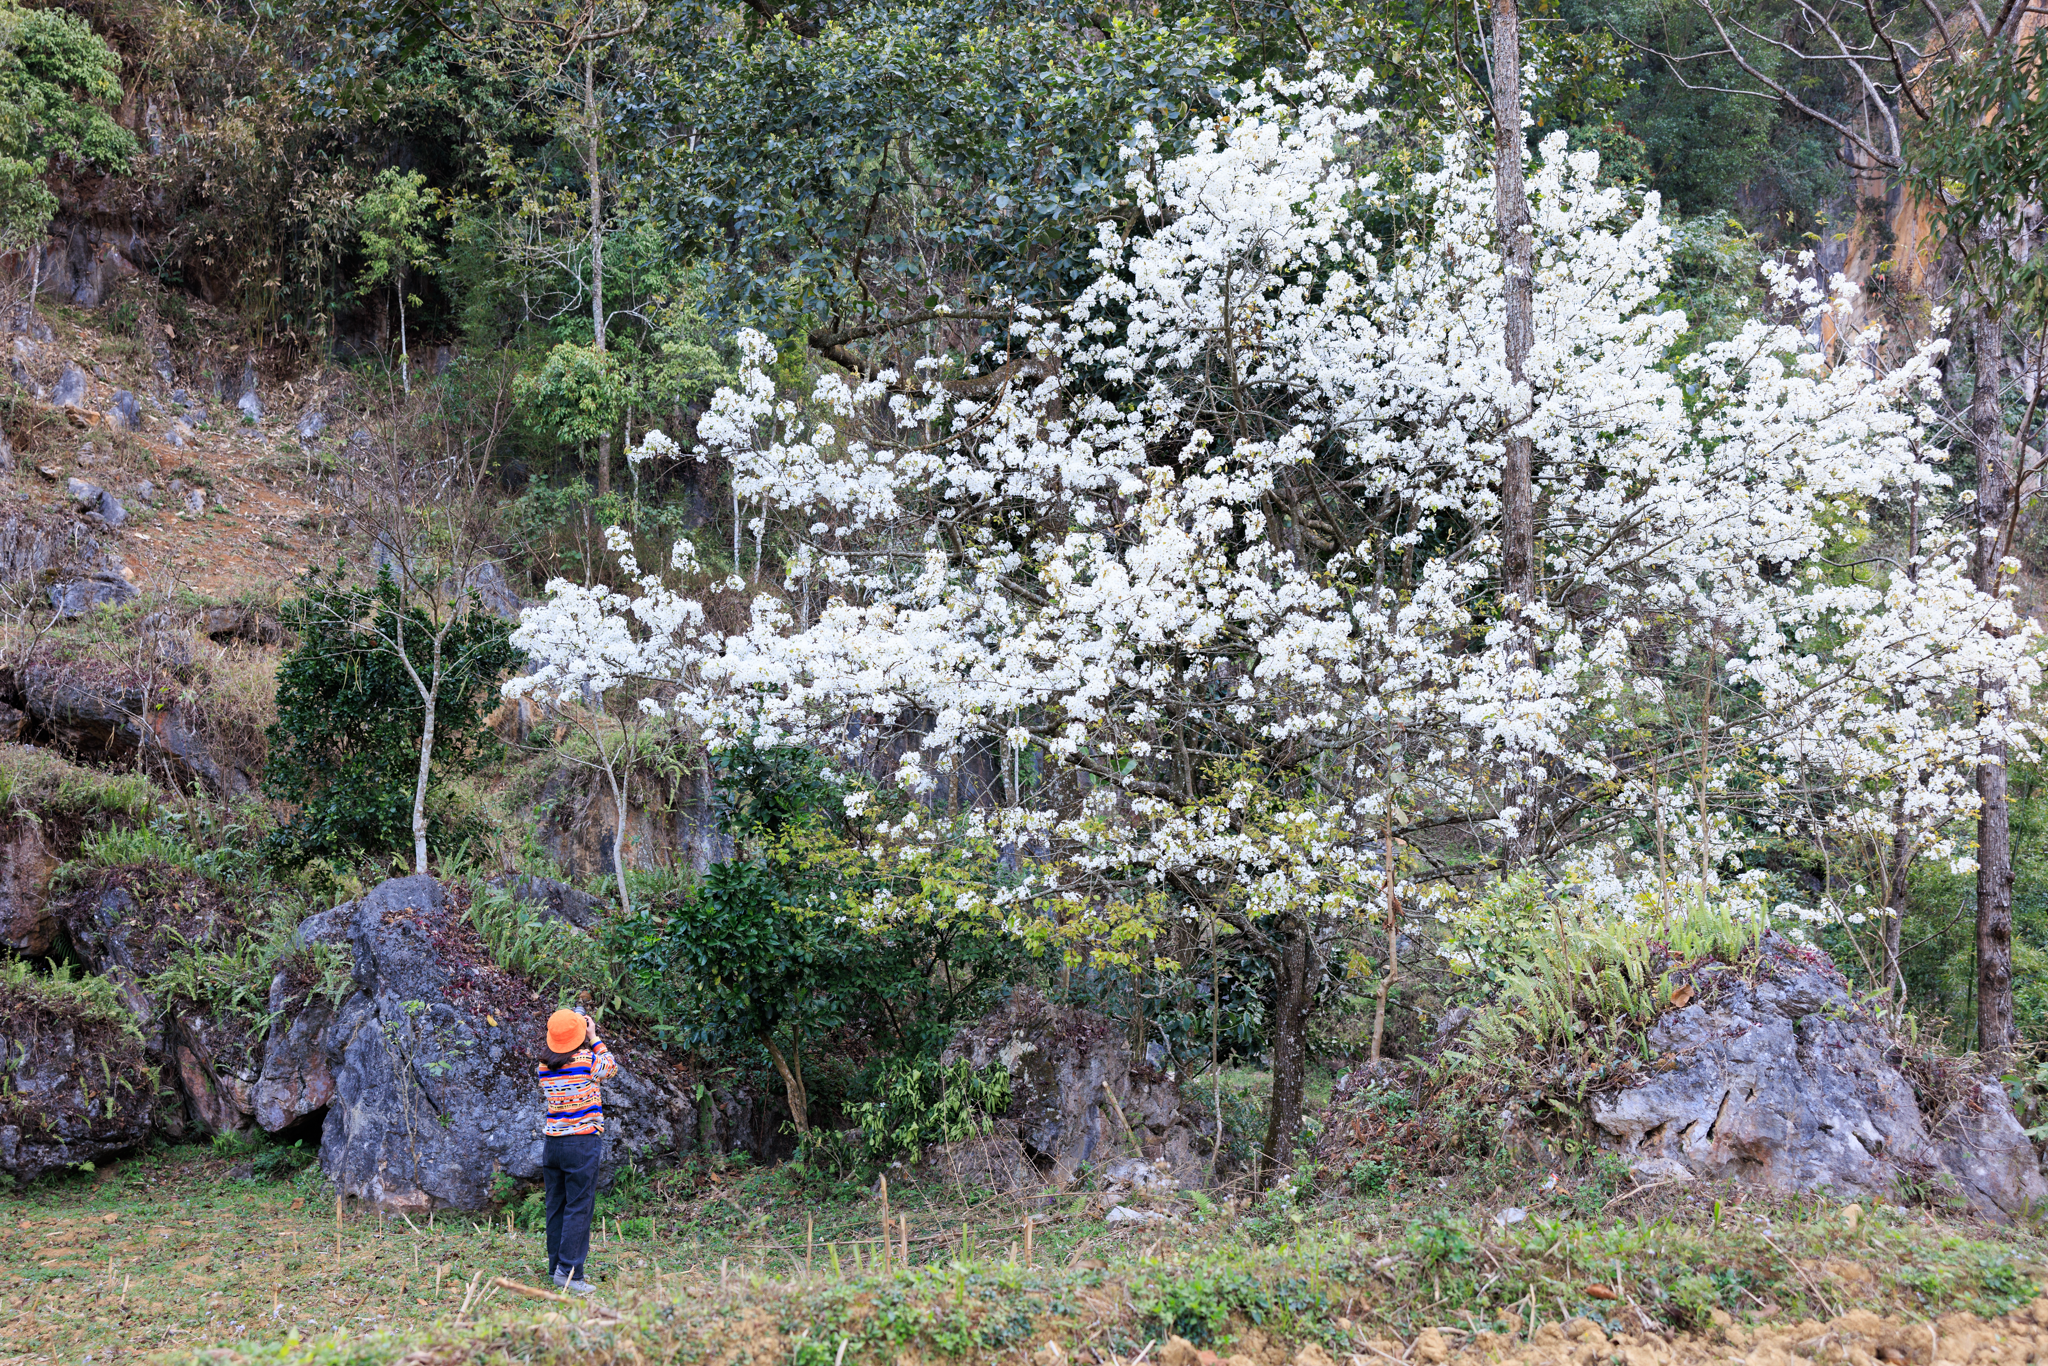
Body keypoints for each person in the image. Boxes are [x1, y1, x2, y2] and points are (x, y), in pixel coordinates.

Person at [536, 1008, 618, 1294]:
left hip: (553, 1144)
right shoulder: (586, 1060)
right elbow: (611, 1066)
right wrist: (594, 1037)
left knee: (556, 1205)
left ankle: (555, 1266)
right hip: (581, 1143)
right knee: (578, 1207)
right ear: (579, 1035)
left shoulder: (543, 1067)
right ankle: (569, 1273)